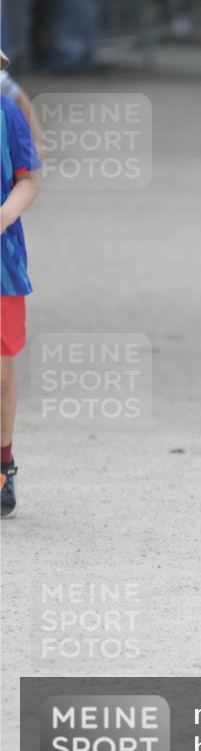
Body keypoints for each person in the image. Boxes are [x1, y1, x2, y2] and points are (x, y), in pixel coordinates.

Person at [1, 54, 42, 518]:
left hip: (2, 262)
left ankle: (3, 461)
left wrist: (5, 215)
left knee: (1, 371)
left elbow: (27, 180)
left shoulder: (5, 113)